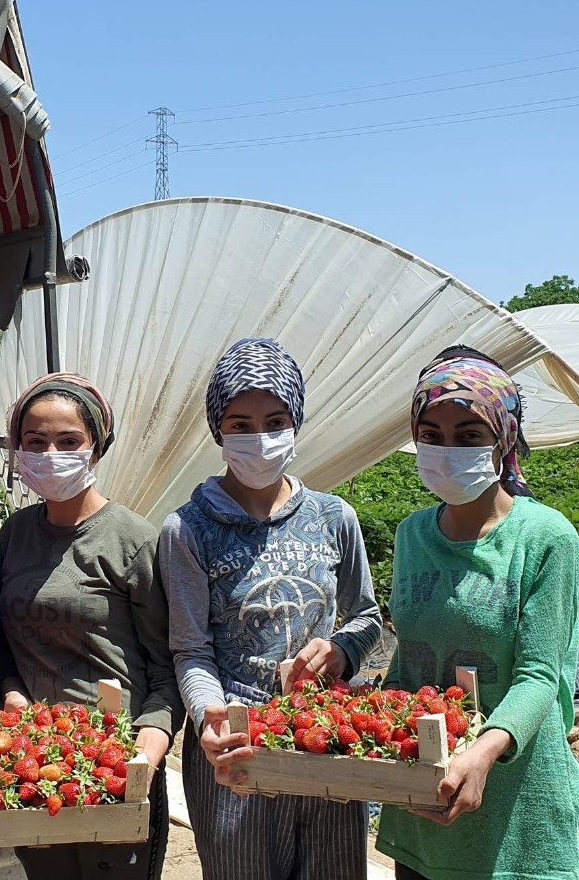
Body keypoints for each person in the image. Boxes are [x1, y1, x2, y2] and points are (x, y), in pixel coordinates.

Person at [162, 337, 385, 880]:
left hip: (325, 733)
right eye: (239, 423)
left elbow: (368, 617)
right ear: (219, 430)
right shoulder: (189, 529)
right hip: (236, 739)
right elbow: (191, 648)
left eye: (274, 419)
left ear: (296, 422)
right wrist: (208, 717)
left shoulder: (334, 518)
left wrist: (340, 650)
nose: (257, 437)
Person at [374, 347, 579, 880]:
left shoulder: (544, 538)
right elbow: (410, 661)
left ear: (503, 439)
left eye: (469, 434)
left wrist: (485, 752)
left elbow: (540, 675)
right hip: (425, 793)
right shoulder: (412, 534)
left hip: (514, 804)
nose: (447, 449)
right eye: (432, 434)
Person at [0, 373, 182, 880]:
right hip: (35, 761)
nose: (51, 453)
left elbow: (168, 667)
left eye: (68, 441)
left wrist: (148, 749)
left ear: (96, 447)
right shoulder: (16, 534)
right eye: (35, 442)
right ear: (17, 450)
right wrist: (10, 693)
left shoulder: (133, 541)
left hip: (115, 761)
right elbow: (1, 641)